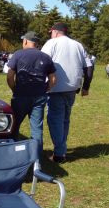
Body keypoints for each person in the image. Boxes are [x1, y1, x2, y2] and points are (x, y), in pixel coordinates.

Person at [41, 22, 93, 163]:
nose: (50, 34)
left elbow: (41, 63)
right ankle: (61, 150)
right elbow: (89, 67)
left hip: (55, 88)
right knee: (64, 120)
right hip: (72, 88)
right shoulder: (78, 45)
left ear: (56, 32)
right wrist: (86, 87)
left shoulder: (51, 43)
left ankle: (59, 154)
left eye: (51, 32)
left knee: (55, 120)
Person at [7, 31, 56, 157]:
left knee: (14, 125)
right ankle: (36, 156)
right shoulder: (46, 57)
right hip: (39, 97)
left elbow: (10, 76)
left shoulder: (18, 54)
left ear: (25, 41)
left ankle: (11, 151)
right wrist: (46, 89)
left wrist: (14, 89)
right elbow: (53, 79)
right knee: (37, 128)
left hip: (20, 96)